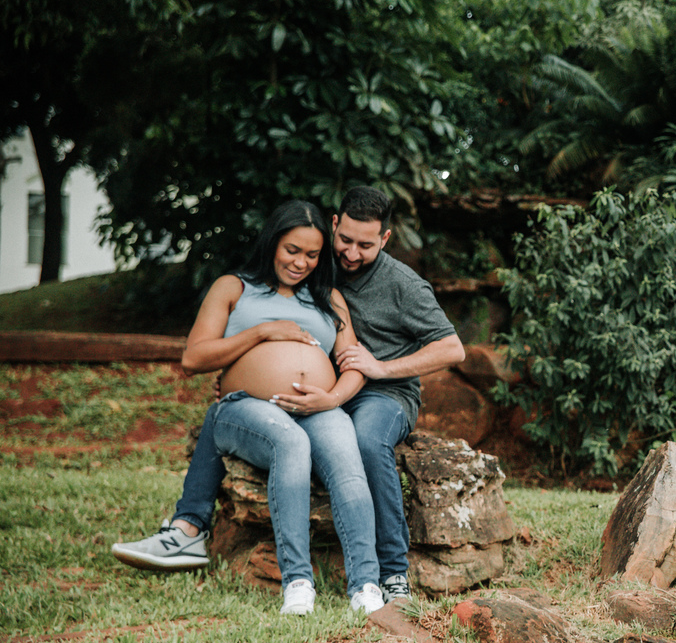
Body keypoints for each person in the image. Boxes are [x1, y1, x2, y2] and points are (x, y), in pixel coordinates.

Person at [112, 187, 464, 608]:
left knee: (358, 448)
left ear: (383, 240)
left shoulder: (351, 291)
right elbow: (195, 357)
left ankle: (377, 581)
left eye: (312, 255)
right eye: (294, 250)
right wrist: (258, 343)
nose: (303, 261)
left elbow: (405, 355)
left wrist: (340, 393)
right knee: (285, 439)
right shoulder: (248, 284)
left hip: (349, 398)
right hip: (269, 405)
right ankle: (287, 576)